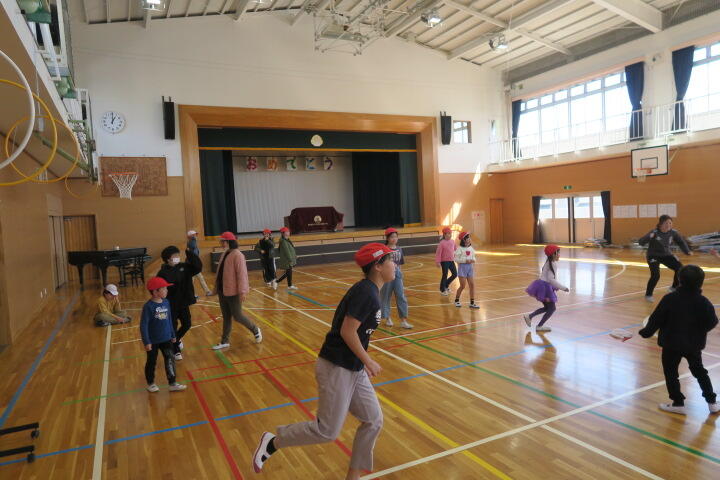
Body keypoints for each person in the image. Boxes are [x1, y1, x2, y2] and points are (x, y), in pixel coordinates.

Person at [252, 243, 393, 479]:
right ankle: (274, 441)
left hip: (353, 368)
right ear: (378, 266)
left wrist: (362, 363)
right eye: (390, 260)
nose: (395, 265)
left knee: (373, 420)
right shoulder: (366, 293)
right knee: (327, 431)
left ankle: (353, 477)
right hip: (336, 366)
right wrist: (368, 360)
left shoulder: (370, 291)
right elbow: (348, 331)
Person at [639, 265, 719, 415]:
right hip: (693, 345)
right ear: (701, 282)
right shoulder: (703, 302)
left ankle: (678, 403)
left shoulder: (669, 299)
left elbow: (656, 319)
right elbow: (712, 322)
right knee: (700, 372)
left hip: (671, 345)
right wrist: (698, 332)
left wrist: (645, 333)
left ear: (679, 280)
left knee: (671, 374)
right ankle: (712, 402)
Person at [211, 231, 262, 350]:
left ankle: (255, 329)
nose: (221, 243)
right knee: (226, 317)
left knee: (238, 316)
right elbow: (220, 272)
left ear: (228, 241)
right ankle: (225, 341)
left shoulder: (238, 255)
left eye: (222, 241)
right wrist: (215, 289)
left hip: (233, 292)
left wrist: (243, 291)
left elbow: (242, 274)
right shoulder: (225, 253)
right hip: (222, 290)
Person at [140, 276, 187, 393]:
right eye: (164, 288)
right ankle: (151, 383)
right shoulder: (148, 307)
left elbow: (169, 319)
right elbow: (144, 325)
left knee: (170, 359)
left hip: (166, 338)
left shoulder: (166, 302)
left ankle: (172, 383)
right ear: (155, 292)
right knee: (152, 362)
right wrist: (146, 341)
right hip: (153, 341)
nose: (167, 290)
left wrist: (173, 334)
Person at [157, 245, 203, 360]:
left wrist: (189, 253)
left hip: (183, 303)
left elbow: (198, 267)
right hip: (170, 305)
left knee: (187, 324)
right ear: (168, 259)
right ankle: (175, 349)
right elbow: (159, 289)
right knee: (173, 327)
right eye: (175, 255)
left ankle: (176, 340)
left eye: (178, 255)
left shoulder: (183, 267)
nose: (178, 257)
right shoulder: (162, 273)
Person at [638, 215, 692, 302]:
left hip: (666, 255)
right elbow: (641, 242)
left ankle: (674, 288)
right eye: (666, 223)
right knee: (655, 275)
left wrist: (687, 251)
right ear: (660, 224)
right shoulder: (654, 232)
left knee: (680, 269)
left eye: (670, 223)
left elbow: (681, 242)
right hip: (653, 256)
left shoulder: (673, 232)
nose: (668, 225)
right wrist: (649, 237)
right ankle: (648, 294)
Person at [523, 244, 569, 333]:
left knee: (547, 308)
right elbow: (551, 280)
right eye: (558, 253)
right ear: (553, 254)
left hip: (542, 286)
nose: (559, 255)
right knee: (552, 308)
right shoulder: (552, 264)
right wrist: (563, 288)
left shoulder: (549, 262)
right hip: (545, 288)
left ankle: (530, 316)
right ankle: (539, 325)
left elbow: (549, 279)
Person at [380, 228, 412, 329]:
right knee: (386, 296)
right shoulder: (384, 249)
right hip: (387, 275)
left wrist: (400, 273)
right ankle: (387, 318)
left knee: (401, 296)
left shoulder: (399, 249)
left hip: (397, 274)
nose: (394, 239)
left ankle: (403, 320)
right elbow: (380, 264)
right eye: (392, 237)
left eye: (395, 237)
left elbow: (400, 263)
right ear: (387, 238)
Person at [453, 232, 479, 309]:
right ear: (464, 240)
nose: (469, 239)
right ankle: (456, 300)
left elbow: (474, 257)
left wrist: (473, 260)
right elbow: (456, 259)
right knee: (462, 286)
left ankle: (472, 303)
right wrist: (465, 260)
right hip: (462, 268)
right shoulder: (459, 249)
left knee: (472, 285)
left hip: (470, 268)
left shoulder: (471, 248)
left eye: (469, 237)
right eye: (467, 238)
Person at [187, 230, 212, 297]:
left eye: (195, 235)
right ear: (190, 236)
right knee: (193, 280)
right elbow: (192, 250)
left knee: (199, 278)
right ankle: (192, 294)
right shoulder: (192, 242)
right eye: (193, 235)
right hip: (192, 265)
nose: (195, 236)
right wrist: (193, 239)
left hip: (194, 264)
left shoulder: (192, 242)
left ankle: (207, 291)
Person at [435, 226, 457, 296]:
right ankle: (442, 289)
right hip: (444, 262)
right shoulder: (442, 243)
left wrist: (460, 255)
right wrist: (438, 262)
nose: (450, 235)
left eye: (450, 233)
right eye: (448, 234)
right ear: (444, 235)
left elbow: (456, 249)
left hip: (451, 261)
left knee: (455, 274)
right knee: (445, 275)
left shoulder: (452, 241)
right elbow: (438, 253)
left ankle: (446, 285)